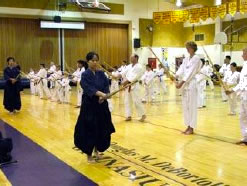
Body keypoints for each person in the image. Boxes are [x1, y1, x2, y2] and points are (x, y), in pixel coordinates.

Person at [74, 52, 115, 163]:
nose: (95, 62)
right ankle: (89, 154)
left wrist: (105, 96)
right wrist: (101, 94)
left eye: (97, 60)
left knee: (101, 128)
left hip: (101, 106)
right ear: (88, 62)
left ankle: (97, 150)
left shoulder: (102, 74)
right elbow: (88, 88)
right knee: (90, 129)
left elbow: (106, 86)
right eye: (92, 60)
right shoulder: (85, 74)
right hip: (89, 106)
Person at [175, 41, 202, 135]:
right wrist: (176, 76)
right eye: (186, 47)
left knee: (192, 106)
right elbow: (182, 68)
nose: (187, 49)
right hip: (185, 85)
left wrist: (181, 83)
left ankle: (192, 127)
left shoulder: (197, 58)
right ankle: (187, 125)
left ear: (193, 48)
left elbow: (190, 72)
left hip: (191, 84)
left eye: (188, 47)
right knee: (185, 106)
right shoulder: (186, 58)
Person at [113, 54, 146, 122]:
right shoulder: (129, 66)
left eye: (132, 57)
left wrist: (125, 82)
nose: (130, 59)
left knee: (137, 101)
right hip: (127, 86)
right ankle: (128, 115)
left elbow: (134, 77)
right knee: (127, 101)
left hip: (134, 86)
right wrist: (117, 76)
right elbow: (123, 72)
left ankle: (143, 115)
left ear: (136, 58)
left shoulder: (139, 67)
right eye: (130, 57)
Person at [226, 48, 247, 145]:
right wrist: (231, 90)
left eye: (244, 54)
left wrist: (233, 90)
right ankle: (245, 138)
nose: (242, 56)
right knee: (242, 116)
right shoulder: (245, 65)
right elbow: (242, 82)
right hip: (243, 95)